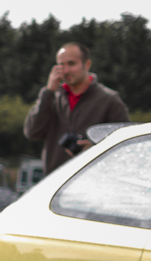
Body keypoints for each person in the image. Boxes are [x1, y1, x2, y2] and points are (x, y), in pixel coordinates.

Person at [23, 42, 130, 174]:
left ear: (87, 64)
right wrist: (48, 92)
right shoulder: (52, 98)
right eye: (61, 65)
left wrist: (95, 148)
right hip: (55, 182)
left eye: (71, 64)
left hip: (93, 182)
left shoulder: (109, 100)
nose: (66, 70)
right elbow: (32, 132)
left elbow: (125, 146)